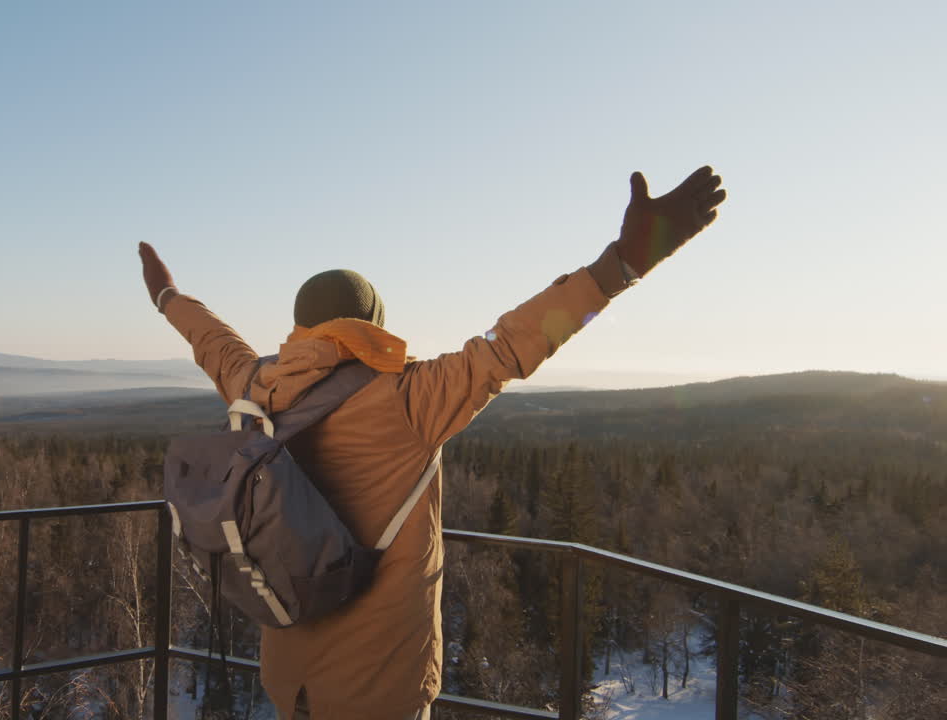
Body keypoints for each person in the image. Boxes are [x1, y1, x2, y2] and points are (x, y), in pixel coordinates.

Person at [138, 166, 726, 720]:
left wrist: (167, 297)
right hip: (381, 684)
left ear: (302, 327)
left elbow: (214, 343)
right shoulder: (410, 399)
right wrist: (618, 267)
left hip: (290, 676)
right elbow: (508, 348)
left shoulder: (257, 386)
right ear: (372, 323)